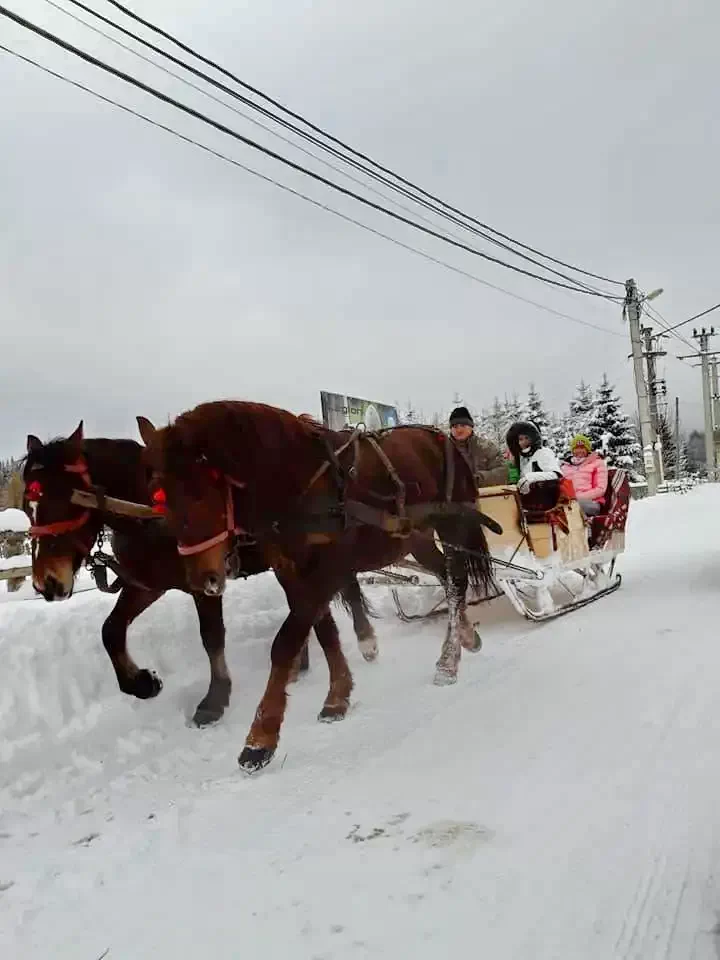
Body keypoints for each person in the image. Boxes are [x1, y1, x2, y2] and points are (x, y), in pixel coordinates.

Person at [448, 406, 508, 487]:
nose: (459, 430)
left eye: (463, 425)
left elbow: (502, 473)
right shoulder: (442, 451)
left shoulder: (487, 448)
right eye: (455, 427)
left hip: (486, 496)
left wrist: (478, 479)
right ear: (451, 429)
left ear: (471, 427)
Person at [505, 420, 562, 493]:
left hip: (545, 497)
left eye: (527, 438)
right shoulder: (520, 458)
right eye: (521, 439)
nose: (524, 442)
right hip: (525, 499)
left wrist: (530, 478)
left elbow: (555, 475)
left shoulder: (543, 452)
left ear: (533, 439)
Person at [561, 434, 608, 516]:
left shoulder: (597, 463)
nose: (579, 450)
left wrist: (576, 498)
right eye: (576, 448)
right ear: (572, 450)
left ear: (587, 449)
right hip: (569, 502)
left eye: (582, 448)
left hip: (591, 502)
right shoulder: (565, 466)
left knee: (572, 507)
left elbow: (601, 489)